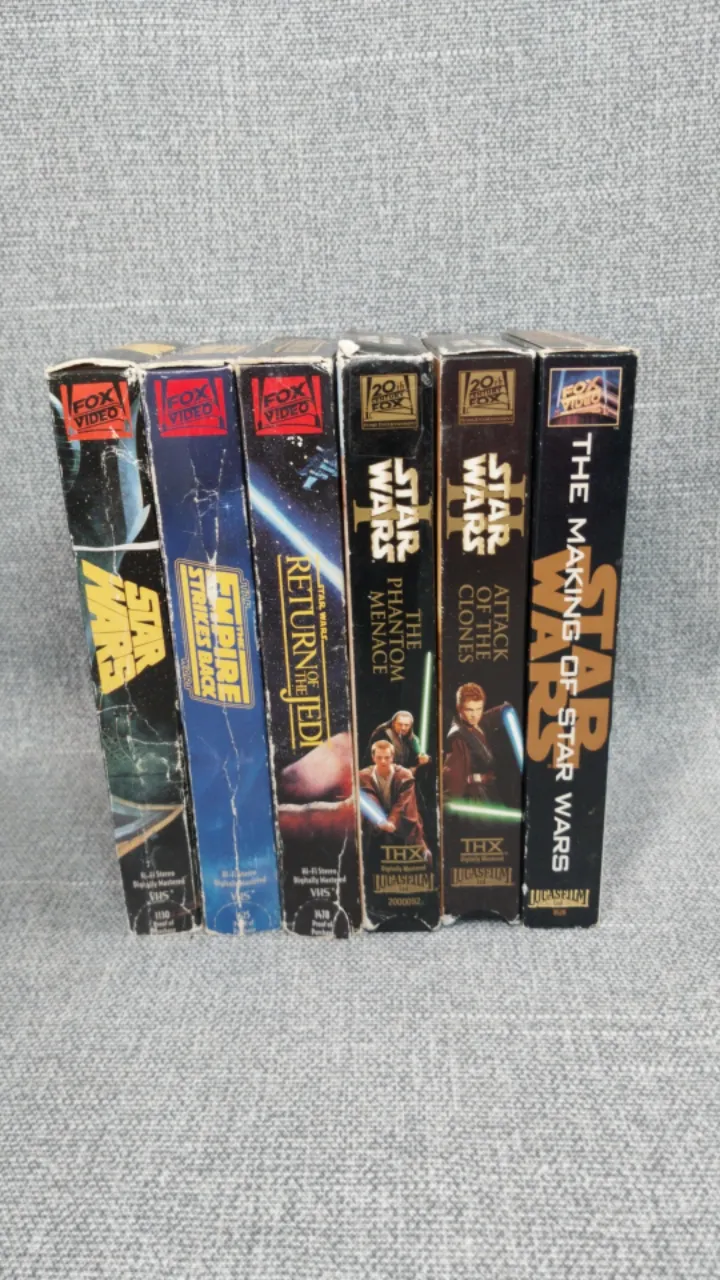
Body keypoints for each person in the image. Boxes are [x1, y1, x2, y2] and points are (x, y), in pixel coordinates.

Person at [358, 739, 431, 863]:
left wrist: (392, 821)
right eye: (379, 757)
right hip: (376, 824)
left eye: (387, 757)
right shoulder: (363, 776)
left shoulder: (404, 775)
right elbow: (370, 799)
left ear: (392, 757)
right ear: (373, 757)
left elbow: (403, 803)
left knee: (419, 857)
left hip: (402, 821)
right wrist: (380, 820)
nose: (383, 761)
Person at [443, 682, 508, 801]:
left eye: (479, 709)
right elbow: (454, 783)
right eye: (469, 710)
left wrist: (506, 709)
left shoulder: (478, 723)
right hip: (476, 798)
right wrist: (481, 778)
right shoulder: (458, 739)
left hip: (490, 791)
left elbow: (491, 715)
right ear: (459, 708)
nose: (475, 715)